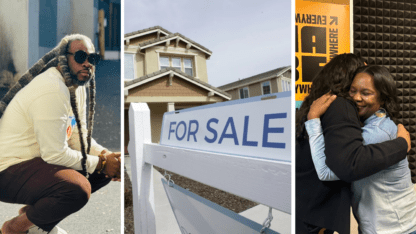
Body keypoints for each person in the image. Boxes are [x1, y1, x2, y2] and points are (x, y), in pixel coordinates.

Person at [0, 34, 121, 234]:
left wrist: (106, 156)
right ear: (64, 58)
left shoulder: (77, 86)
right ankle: (14, 228)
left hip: (32, 162)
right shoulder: (52, 89)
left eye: (93, 59)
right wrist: (102, 163)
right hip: (7, 170)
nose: (87, 64)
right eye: (80, 56)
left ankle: (34, 222)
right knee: (77, 189)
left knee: (100, 170)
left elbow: (76, 135)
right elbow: (54, 154)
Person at [295, 53, 411, 234]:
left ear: (382, 98)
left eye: (366, 93)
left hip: (397, 228)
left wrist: (313, 120)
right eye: (353, 90)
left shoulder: (380, 131)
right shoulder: (362, 124)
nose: (356, 98)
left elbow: (330, 171)